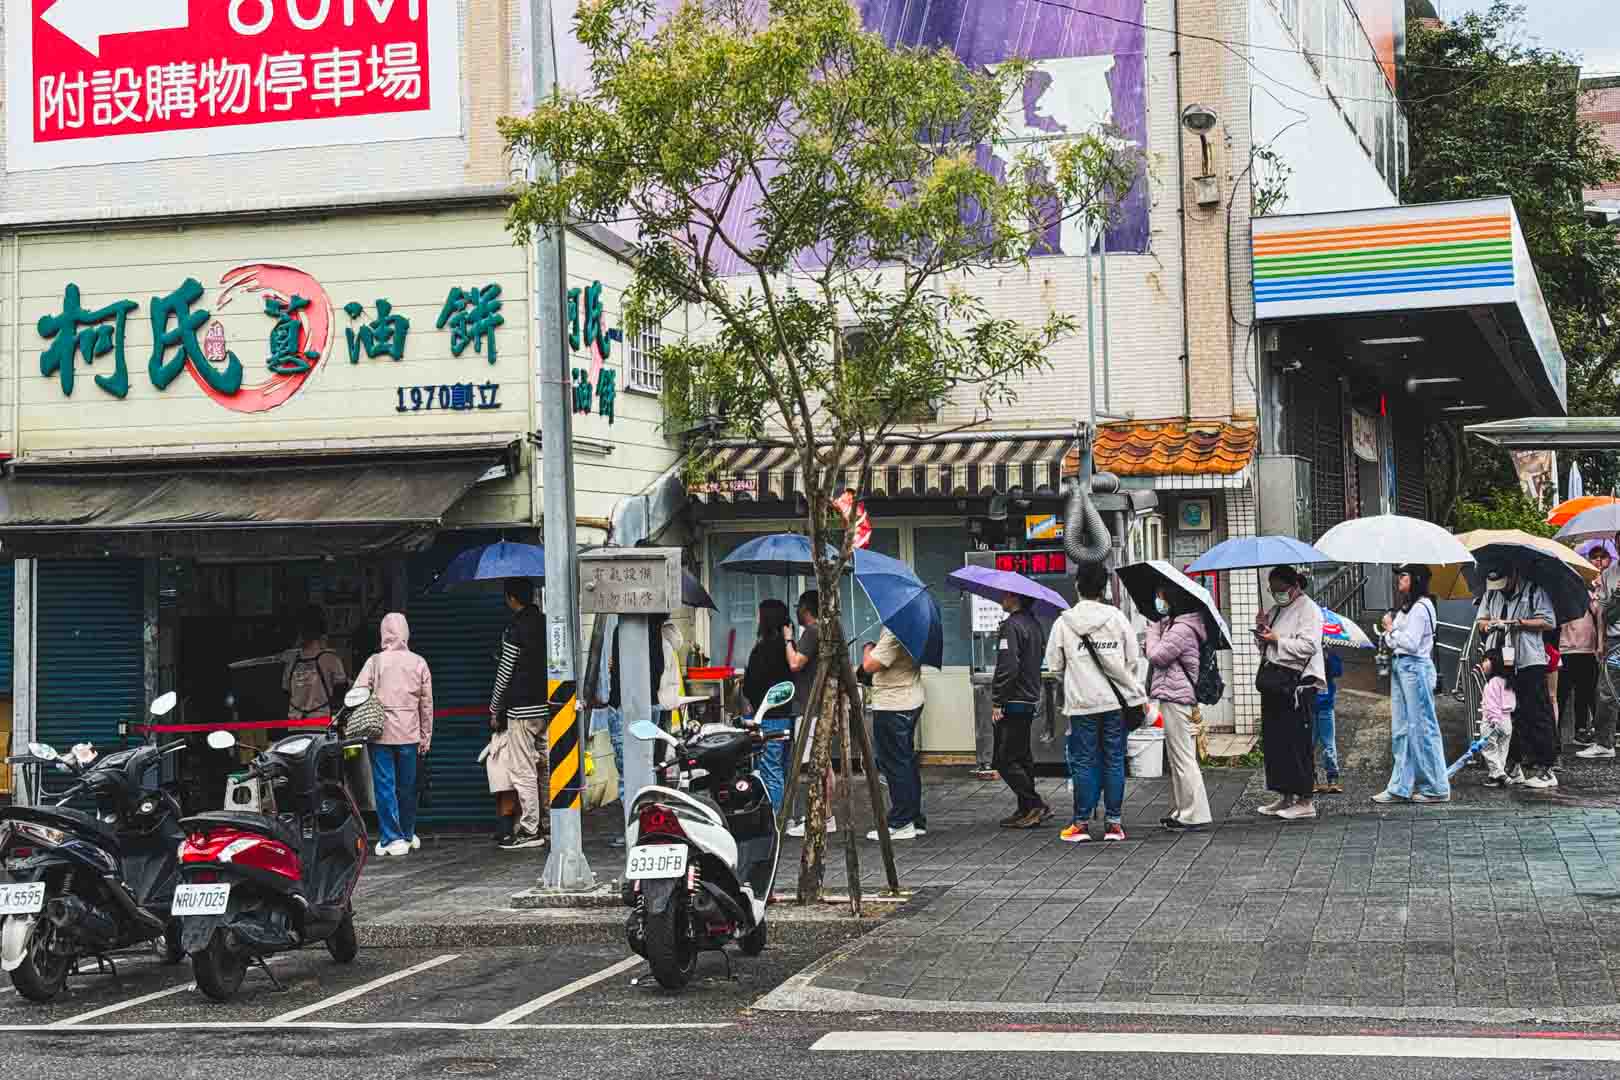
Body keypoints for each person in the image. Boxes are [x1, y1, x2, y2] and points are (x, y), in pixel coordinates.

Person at [1046, 561, 1146, 842]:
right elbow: (1132, 660)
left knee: (1084, 761)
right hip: (1114, 703)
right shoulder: (1116, 618)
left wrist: (1076, 674)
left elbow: (1054, 665)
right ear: (1103, 588)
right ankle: (1114, 824)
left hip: (1082, 704)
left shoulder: (1064, 622)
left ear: (1077, 585)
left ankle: (1080, 824)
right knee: (1114, 759)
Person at [355, 613, 433, 857]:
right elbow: (427, 704)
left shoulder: (375, 662)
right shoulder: (418, 662)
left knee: (384, 785)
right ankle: (407, 834)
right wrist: (426, 735)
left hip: (380, 734)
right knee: (408, 786)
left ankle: (391, 837)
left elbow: (357, 692)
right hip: (410, 733)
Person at [1373, 564, 1450, 804]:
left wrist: (1389, 630)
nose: (1399, 579)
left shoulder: (1421, 607)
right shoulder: (1410, 607)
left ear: (1415, 579)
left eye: (1403, 575)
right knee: (1403, 729)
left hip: (1414, 667)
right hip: (1404, 667)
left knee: (1422, 728)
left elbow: (1411, 643)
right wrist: (1391, 630)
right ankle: (1400, 786)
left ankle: (1436, 786)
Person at [1476, 566, 1559, 787]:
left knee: (1536, 713)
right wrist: (1489, 626)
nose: (1499, 590)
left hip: (1528, 659)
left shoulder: (1533, 591)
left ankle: (1546, 769)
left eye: (1503, 584)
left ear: (1513, 575)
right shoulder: (1491, 593)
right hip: (1499, 660)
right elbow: (1481, 621)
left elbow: (1549, 621)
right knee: (1505, 715)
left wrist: (1519, 624)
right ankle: (1512, 766)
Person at [1253, 566, 1324, 821]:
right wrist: (1261, 630)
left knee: (1297, 742)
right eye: (1273, 590)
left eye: (1281, 590)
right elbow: (1266, 646)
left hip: (1296, 684)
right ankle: (1285, 795)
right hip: (1275, 682)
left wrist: (1276, 639)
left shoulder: (1309, 610)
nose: (1276, 595)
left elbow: (1309, 645)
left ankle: (1305, 799)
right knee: (1275, 742)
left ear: (1294, 586)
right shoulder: (1276, 610)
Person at [1144, 586, 1211, 832]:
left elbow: (1158, 657)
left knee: (1183, 757)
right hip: (1174, 694)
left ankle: (1194, 812)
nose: (1158, 601)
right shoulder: (1176, 625)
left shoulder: (1182, 628)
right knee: (1178, 757)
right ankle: (1184, 810)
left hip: (1177, 696)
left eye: (1161, 596)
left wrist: (1152, 631)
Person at [490, 578, 548, 850]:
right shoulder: (548, 623)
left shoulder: (515, 629)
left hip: (521, 710)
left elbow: (505, 672)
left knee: (523, 770)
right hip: (548, 708)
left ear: (512, 599)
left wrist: (494, 708)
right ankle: (549, 824)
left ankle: (529, 830)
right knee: (546, 768)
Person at [992, 590, 1052, 829]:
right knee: (1022, 756)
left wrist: (998, 699)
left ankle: (1034, 803)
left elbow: (1008, 666)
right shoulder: (1034, 624)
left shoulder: (1011, 626)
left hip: (1013, 699)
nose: (1001, 599)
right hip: (1028, 697)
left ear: (1015, 598)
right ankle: (1025, 808)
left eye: (1004, 596)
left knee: (1004, 759)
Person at [862, 626, 928, 841]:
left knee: (894, 763)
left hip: (893, 703)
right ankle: (914, 818)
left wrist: (868, 648)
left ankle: (901, 821)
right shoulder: (917, 627)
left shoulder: (895, 631)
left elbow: (870, 665)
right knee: (905, 761)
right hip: (910, 697)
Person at [784, 590, 838, 837]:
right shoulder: (828, 630)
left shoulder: (812, 632)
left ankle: (821, 816)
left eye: (799, 607)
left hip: (809, 706)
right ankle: (826, 815)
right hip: (820, 704)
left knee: (814, 764)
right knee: (824, 762)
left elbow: (795, 663)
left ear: (805, 609)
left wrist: (788, 640)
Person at [743, 598, 795, 810]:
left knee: (770, 770)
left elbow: (751, 686)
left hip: (767, 718)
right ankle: (787, 816)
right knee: (783, 768)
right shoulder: (789, 648)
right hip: (787, 716)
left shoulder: (762, 650)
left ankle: (776, 820)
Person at [1580, 540, 1617, 758]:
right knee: (1606, 690)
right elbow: (1602, 613)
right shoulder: (1608, 575)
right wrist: (1601, 641)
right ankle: (1604, 742)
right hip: (1614, 640)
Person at [283, 606, 348, 723]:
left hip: (294, 722)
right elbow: (342, 687)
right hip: (320, 722)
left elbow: (286, 689)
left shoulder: (292, 660)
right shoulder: (330, 658)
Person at [1558, 573, 1598, 753]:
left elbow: (1599, 613)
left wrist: (1597, 593)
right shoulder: (1557, 596)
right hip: (1565, 651)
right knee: (1561, 695)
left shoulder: (1588, 595)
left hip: (1587, 650)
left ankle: (1581, 730)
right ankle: (1556, 733)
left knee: (1586, 693)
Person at [1478, 649, 1516, 786]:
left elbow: (1492, 703)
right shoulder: (1508, 681)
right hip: (1507, 720)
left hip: (1492, 721)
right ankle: (1497, 777)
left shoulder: (1493, 683)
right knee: (1502, 749)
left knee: (1488, 748)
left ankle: (1499, 774)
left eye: (1485, 660)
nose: (1483, 664)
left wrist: (1493, 720)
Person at [1314, 652, 1344, 795]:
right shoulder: (1307, 649)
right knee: (1308, 744)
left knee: (1328, 744)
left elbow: (1338, 671)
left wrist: (1327, 657)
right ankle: (1311, 778)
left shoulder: (1330, 652)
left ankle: (1332, 778)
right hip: (1308, 705)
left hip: (1326, 705)